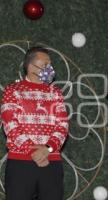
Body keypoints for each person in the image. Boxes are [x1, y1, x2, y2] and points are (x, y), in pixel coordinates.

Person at [1, 46, 68, 200]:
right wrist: (35, 152)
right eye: (45, 65)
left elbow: (63, 125)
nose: (49, 68)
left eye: (50, 65)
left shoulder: (55, 92)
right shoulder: (13, 90)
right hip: (20, 163)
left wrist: (47, 149)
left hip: (51, 163)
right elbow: (11, 125)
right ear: (30, 66)